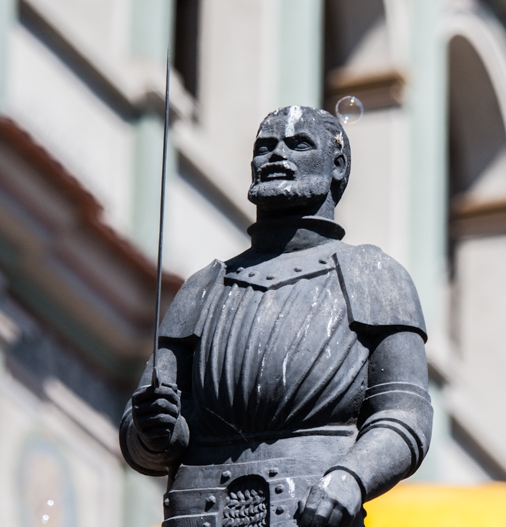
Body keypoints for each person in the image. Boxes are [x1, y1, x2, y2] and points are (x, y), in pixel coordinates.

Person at [120, 106, 433, 527]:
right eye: (264, 147)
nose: (275, 156)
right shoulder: (205, 286)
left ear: (337, 166)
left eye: (297, 144)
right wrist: (155, 428)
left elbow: (405, 414)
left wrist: (351, 477)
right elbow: (144, 442)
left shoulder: (375, 275)